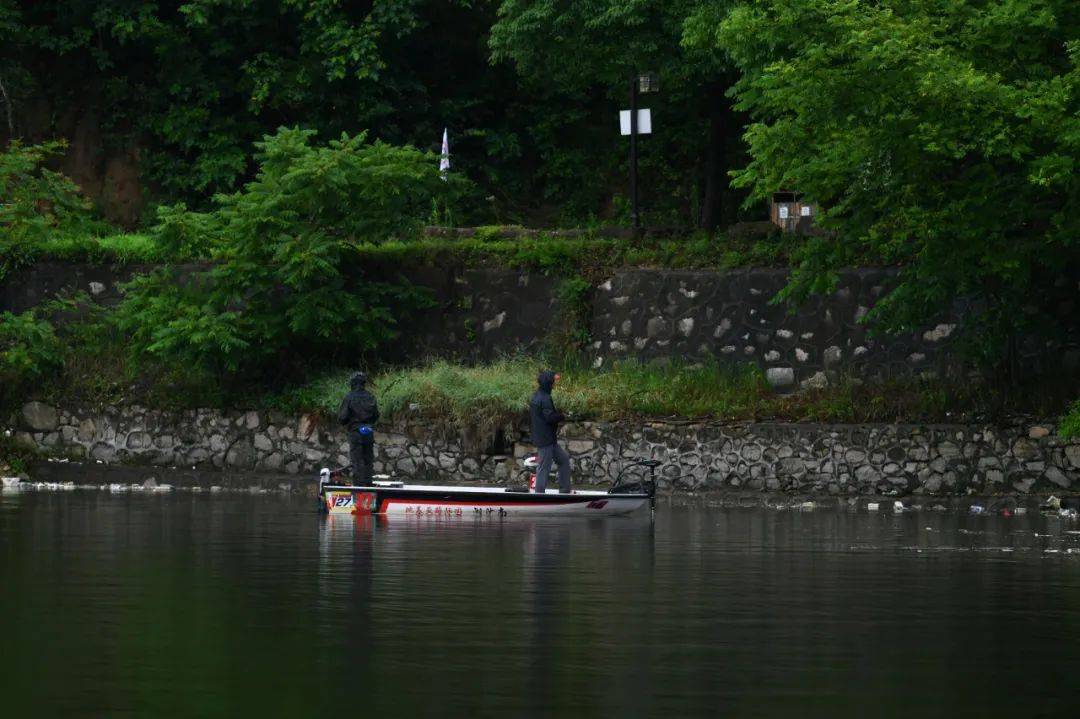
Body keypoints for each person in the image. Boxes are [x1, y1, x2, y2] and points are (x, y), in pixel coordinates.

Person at [529, 370, 571, 493]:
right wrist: (562, 416)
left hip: (547, 439)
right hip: (545, 439)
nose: (554, 384)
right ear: (548, 383)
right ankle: (539, 494)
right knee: (544, 467)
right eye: (553, 382)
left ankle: (565, 491)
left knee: (563, 460)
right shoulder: (545, 398)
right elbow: (549, 418)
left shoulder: (537, 395)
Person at [338, 371, 379, 485]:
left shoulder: (349, 397)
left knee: (357, 460)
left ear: (353, 383)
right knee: (368, 460)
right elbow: (376, 415)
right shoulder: (371, 397)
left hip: (355, 432)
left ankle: (358, 487)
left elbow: (342, 418)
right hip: (368, 431)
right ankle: (368, 484)